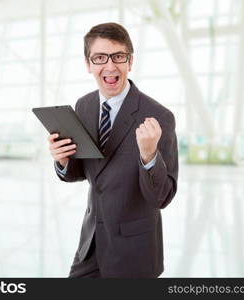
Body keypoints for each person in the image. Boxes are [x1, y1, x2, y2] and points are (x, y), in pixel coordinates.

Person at [47, 22, 178, 278]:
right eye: (99, 58)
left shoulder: (158, 116)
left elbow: (161, 197)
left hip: (133, 254)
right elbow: (85, 172)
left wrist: (149, 156)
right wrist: (63, 161)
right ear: (88, 64)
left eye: (118, 56)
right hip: (91, 244)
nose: (110, 66)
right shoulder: (84, 106)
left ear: (130, 61)